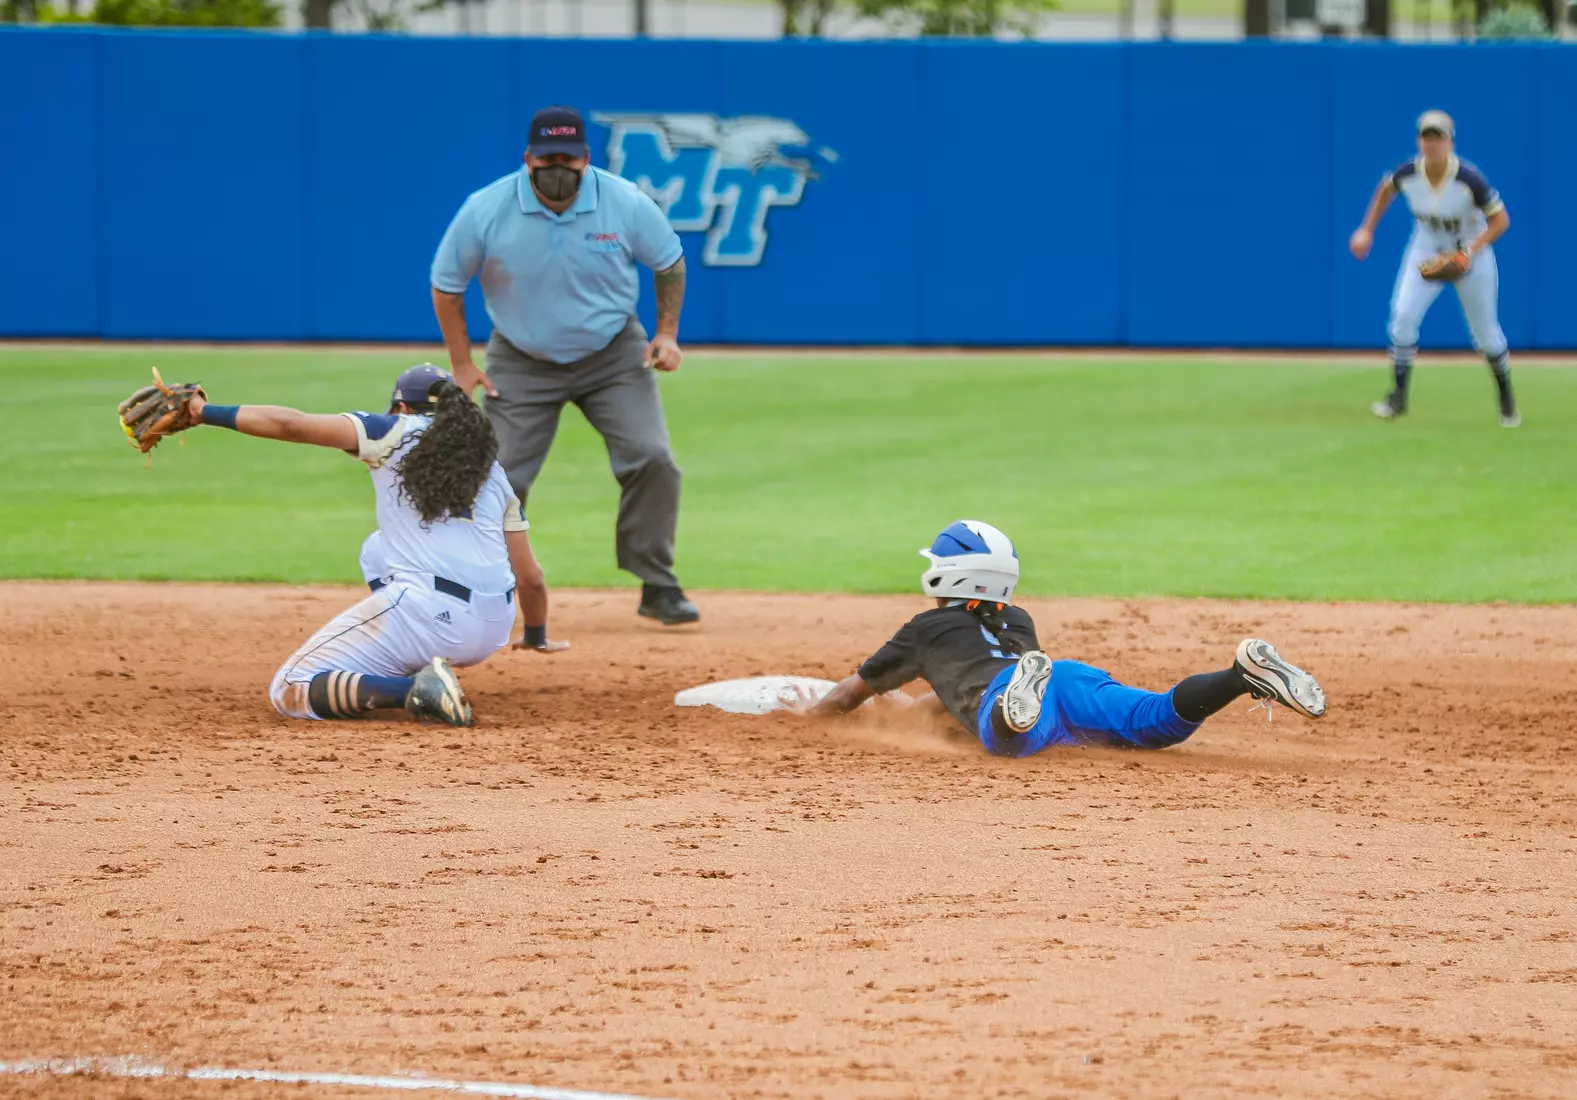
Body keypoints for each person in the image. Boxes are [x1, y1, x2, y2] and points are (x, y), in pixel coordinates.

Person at [430, 104, 700, 626]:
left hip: (613, 353)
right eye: (547, 158)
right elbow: (447, 284)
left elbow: (669, 262)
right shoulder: (486, 208)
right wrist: (462, 364)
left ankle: (657, 584)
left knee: (652, 457)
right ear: (527, 158)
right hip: (521, 357)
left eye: (568, 159)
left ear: (586, 158)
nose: (558, 169)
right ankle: (482, 582)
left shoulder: (625, 201)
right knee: (497, 473)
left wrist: (666, 333)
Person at [187, 363, 566, 728]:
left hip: (432, 618)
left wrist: (203, 412)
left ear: (402, 407)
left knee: (290, 687)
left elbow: (292, 424)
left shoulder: (393, 430)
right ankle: (411, 662)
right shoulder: (493, 471)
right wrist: (535, 635)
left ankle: (415, 690)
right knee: (377, 549)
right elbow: (531, 578)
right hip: (494, 628)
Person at [803, 521, 1326, 754]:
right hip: (1066, 678)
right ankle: (1239, 677)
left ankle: (1011, 712)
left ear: (948, 575)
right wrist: (917, 712)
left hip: (1011, 696)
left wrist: (804, 723)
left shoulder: (925, 629)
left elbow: (848, 695)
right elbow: (948, 692)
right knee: (1155, 722)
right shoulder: (1018, 618)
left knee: (1008, 739)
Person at [1348, 109, 1518, 427]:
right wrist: (1366, 229)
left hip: (1470, 252)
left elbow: (1500, 220)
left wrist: (1468, 253)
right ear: (1419, 141)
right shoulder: (1408, 173)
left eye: (1438, 137)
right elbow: (1386, 188)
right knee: (1402, 317)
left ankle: (1507, 399)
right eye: (1426, 137)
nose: (1432, 143)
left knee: (1485, 334)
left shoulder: (1469, 179)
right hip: (1426, 247)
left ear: (1450, 142)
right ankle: (1398, 397)